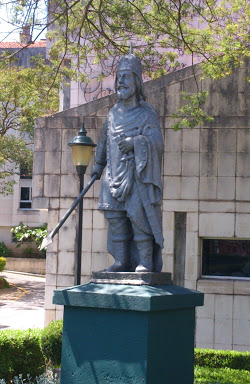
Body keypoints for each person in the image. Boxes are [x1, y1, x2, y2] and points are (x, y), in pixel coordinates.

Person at [91, 51, 164, 273]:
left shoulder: (146, 113)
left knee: (138, 219)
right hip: (113, 174)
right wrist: (97, 165)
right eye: (118, 77)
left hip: (136, 175)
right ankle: (121, 261)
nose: (121, 81)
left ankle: (145, 262)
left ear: (137, 81)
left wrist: (136, 142)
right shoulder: (112, 113)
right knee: (116, 218)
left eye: (126, 76)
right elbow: (104, 140)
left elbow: (157, 142)